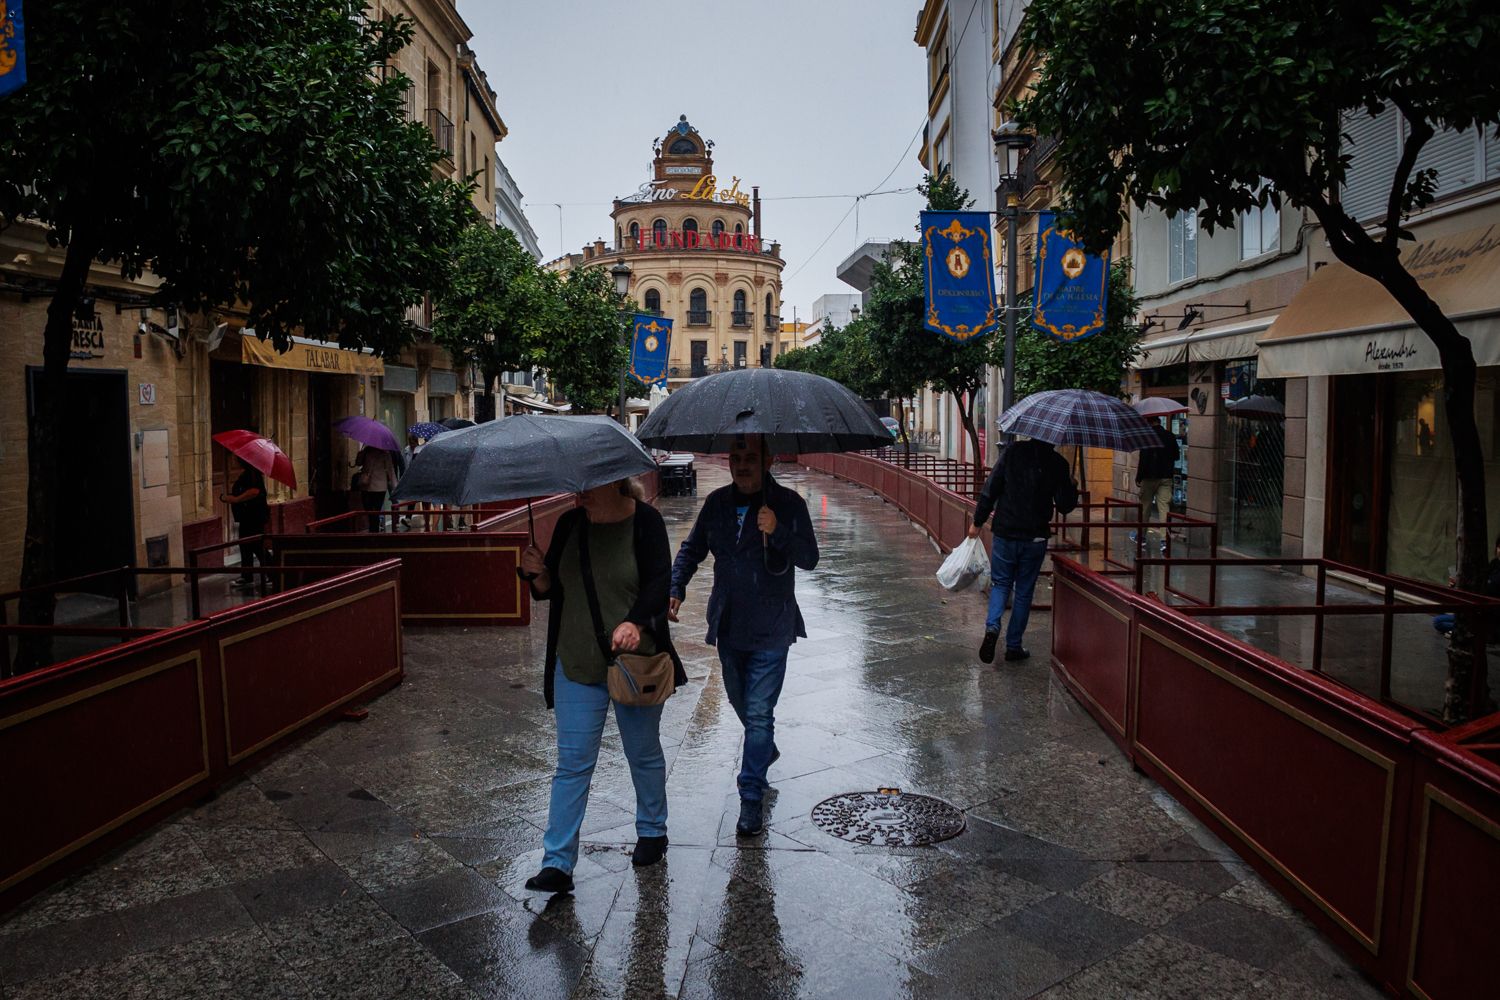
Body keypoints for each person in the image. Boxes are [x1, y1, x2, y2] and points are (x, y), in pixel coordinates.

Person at [518, 478, 685, 895]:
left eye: (589, 483)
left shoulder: (645, 523)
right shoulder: (570, 524)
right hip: (575, 660)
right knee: (571, 764)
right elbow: (552, 591)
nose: (579, 490)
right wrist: (535, 574)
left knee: (643, 752)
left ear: (616, 480)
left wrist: (634, 621)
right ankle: (557, 862)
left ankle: (652, 830)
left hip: (635, 662)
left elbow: (657, 585)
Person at [669, 435, 820, 837]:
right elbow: (693, 548)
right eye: (736, 458)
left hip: (772, 625)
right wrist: (676, 587)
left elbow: (810, 558)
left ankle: (750, 796)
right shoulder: (717, 503)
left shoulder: (788, 504)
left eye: (750, 458)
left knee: (758, 713)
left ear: (767, 459)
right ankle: (763, 748)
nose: (742, 465)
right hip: (729, 624)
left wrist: (779, 531)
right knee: (740, 701)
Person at [968, 436, 1078, 664]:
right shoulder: (1058, 462)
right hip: (1035, 537)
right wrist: (1072, 486)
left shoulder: (1012, 452)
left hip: (1006, 531)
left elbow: (991, 488)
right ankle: (1014, 646)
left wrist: (977, 522)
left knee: (1001, 583)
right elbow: (1065, 505)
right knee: (1024, 592)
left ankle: (992, 626)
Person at [1136, 416, 1180, 592]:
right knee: (1164, 508)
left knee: (1145, 507)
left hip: (1149, 477)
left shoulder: (1146, 435)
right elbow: (1176, 456)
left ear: (1149, 422)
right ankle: (1164, 540)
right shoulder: (1170, 436)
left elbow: (1143, 459)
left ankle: (1143, 537)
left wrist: (1139, 477)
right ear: (1159, 421)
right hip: (1165, 477)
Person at [221, 456, 269, 591]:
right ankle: (247, 576)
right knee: (246, 546)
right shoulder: (248, 474)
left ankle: (272, 572)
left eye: (237, 459)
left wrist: (236, 499)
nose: (235, 460)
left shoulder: (253, 475)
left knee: (257, 546)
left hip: (253, 518)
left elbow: (254, 491)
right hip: (247, 517)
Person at [353, 445, 397, 532]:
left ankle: (374, 530)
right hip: (370, 486)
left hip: (375, 487)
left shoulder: (384, 453)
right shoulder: (367, 451)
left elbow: (390, 469)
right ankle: (374, 529)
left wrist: (394, 486)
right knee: (371, 511)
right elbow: (358, 462)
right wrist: (361, 453)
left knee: (374, 510)